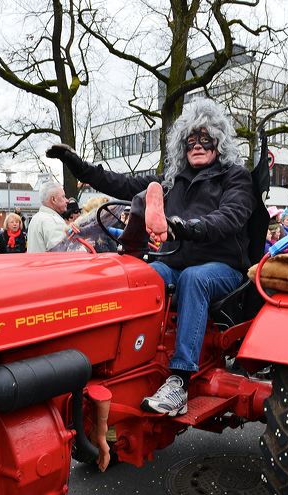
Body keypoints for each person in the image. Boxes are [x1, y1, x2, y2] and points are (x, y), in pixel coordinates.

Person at [47, 98, 256, 416]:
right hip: (175, 263)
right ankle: (121, 362)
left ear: (219, 141)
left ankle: (180, 381)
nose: (197, 146)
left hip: (223, 269)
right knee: (137, 275)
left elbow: (230, 218)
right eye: (191, 140)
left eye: (205, 139)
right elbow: (121, 183)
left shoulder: (236, 178)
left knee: (193, 278)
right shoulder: (172, 180)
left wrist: (183, 227)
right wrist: (78, 167)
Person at [27, 182, 69, 252]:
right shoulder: (53, 221)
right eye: (63, 196)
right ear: (53, 200)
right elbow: (61, 252)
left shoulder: (36, 218)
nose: (67, 200)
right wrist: (85, 249)